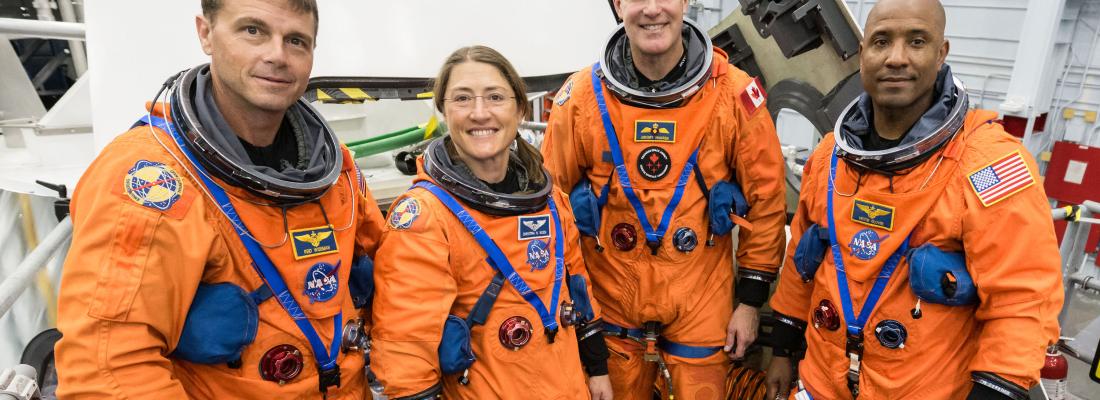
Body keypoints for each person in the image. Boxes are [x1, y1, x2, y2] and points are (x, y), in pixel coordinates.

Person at [54, 0, 386, 398]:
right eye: (253, 31)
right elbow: (108, 368)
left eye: (296, 40)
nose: (277, 56)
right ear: (206, 33)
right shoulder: (151, 180)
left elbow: (391, 270)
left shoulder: (333, 170)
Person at [766, 0, 1064, 399]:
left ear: (941, 53)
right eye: (881, 42)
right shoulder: (830, 157)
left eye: (917, 41)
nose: (896, 58)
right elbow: (801, 263)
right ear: (862, 54)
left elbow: (1023, 298)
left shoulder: (987, 163)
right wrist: (783, 350)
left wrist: (997, 389)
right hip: (822, 383)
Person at [541, 0, 788, 398]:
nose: (653, 9)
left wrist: (749, 303)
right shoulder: (581, 97)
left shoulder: (734, 92)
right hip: (609, 297)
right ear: (619, 5)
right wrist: (575, 313)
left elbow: (767, 201)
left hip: (701, 297)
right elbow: (552, 205)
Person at [369, 45, 614, 399]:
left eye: (495, 97)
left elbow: (578, 290)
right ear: (444, 111)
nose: (479, 113)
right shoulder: (425, 217)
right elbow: (405, 347)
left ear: (519, 109)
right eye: (462, 99)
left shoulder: (549, 201)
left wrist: (598, 370)